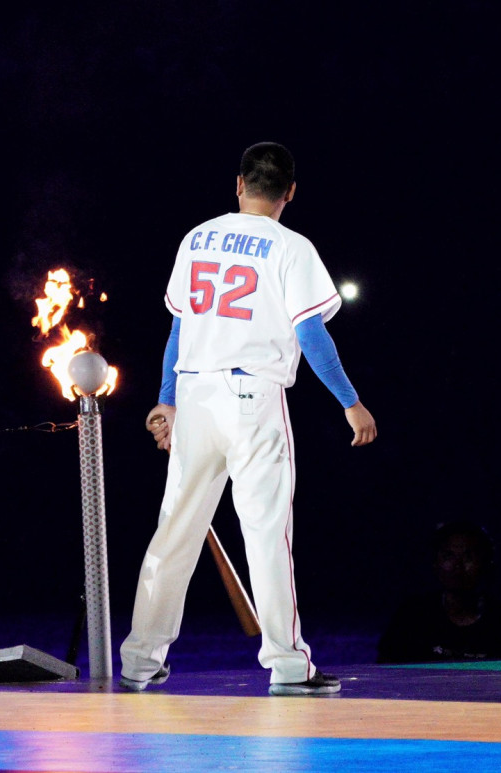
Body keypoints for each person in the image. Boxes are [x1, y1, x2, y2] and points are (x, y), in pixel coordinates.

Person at [118, 141, 377, 696]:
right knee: (265, 536)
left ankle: (141, 661)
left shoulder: (197, 237)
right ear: (290, 192)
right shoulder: (292, 247)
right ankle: (287, 666)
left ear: (238, 184)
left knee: (174, 533)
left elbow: (179, 329)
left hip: (195, 395)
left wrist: (167, 400)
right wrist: (350, 401)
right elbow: (311, 334)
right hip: (253, 398)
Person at [377, 520, 501, 663]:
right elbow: (384, 670)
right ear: (436, 563)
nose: (457, 566)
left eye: (468, 557)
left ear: (486, 564)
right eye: (449, 556)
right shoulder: (413, 615)